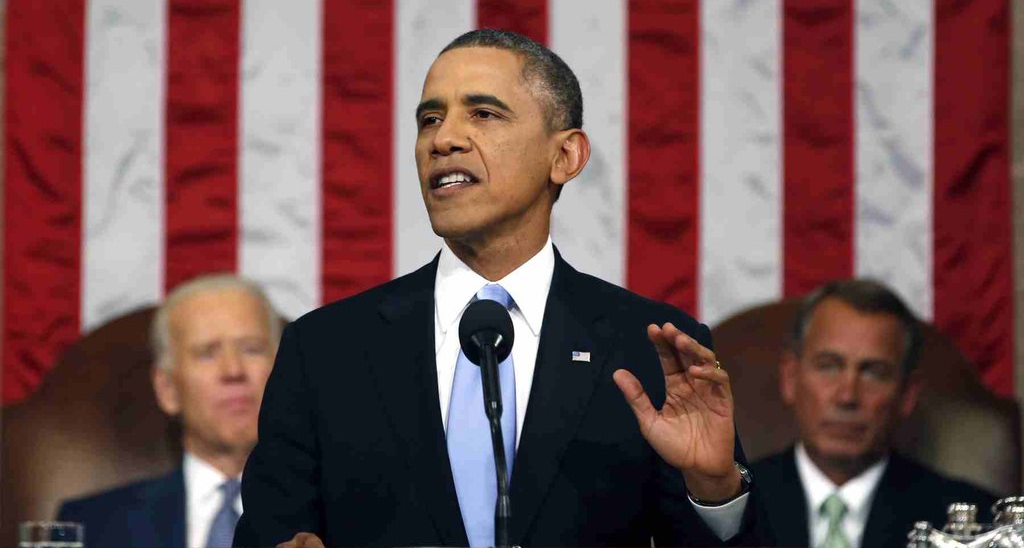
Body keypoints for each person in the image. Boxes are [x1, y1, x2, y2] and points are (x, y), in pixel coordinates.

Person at [233, 29, 769, 548]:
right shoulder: (326, 349)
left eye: (483, 114)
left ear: (566, 157)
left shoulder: (646, 348)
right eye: (430, 119)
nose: (443, 139)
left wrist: (715, 488)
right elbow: (269, 532)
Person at [751, 279, 996, 548]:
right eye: (828, 366)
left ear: (907, 394)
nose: (847, 396)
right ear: (790, 378)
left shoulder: (977, 528)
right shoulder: (730, 509)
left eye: (874, 372)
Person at [58, 274, 281, 548]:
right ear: (168, 389)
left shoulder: (337, 515)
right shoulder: (92, 526)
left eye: (252, 349)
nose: (233, 370)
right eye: (207, 353)